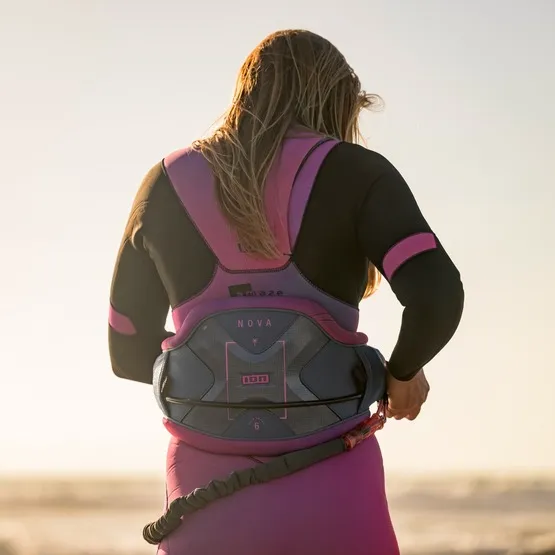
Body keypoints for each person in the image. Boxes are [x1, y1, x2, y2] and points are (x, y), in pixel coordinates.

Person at [108, 29, 464, 555]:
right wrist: (403, 372)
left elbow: (126, 348)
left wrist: (219, 378)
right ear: (338, 102)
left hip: (205, 495)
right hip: (336, 486)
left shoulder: (165, 182)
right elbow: (437, 295)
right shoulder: (357, 173)